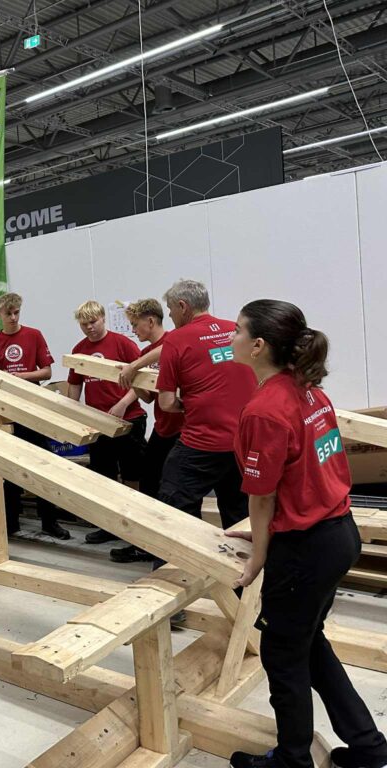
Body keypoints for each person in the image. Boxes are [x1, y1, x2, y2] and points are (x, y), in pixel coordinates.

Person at [225, 300, 387, 768]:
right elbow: (304, 475)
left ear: (258, 346)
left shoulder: (265, 410)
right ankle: (369, 748)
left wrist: (259, 554)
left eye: (237, 331)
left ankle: (292, 760)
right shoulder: (310, 392)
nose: (230, 338)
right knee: (309, 643)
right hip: (337, 534)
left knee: (282, 655)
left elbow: (261, 497)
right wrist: (268, 531)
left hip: (305, 550)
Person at [155, 279, 255, 532]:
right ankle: (241, 557)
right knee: (239, 511)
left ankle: (187, 556)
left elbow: (166, 403)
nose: (170, 315)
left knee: (175, 505)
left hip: (202, 442)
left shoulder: (176, 340)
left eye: (170, 309)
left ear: (183, 306)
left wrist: (188, 404)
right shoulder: (236, 330)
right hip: (244, 440)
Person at [0, 292, 70, 541]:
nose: (13, 318)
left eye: (16, 313)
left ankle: (49, 522)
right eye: (8, 313)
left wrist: (21, 377)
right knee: (9, 468)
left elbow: (46, 372)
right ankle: (9, 523)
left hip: (33, 410)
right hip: (7, 413)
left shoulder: (34, 335)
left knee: (43, 465)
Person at [66, 301, 147, 544]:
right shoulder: (79, 350)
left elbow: (142, 380)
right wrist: (72, 412)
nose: (89, 327)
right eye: (84, 324)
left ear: (103, 318)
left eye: (93, 322)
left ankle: (135, 526)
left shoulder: (122, 344)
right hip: (98, 424)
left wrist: (123, 403)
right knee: (104, 475)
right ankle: (110, 526)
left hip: (129, 420)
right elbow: (74, 385)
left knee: (133, 473)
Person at [110, 299, 184, 563]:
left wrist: (135, 365)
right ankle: (149, 545)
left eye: (135, 325)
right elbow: (149, 398)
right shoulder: (146, 353)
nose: (133, 330)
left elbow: (168, 349)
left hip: (183, 430)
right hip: (163, 427)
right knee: (149, 482)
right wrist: (133, 381)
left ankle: (172, 548)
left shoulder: (174, 341)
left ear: (151, 321)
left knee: (173, 489)